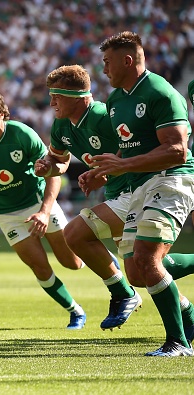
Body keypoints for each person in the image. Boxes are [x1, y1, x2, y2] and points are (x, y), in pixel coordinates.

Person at [35, 65, 194, 339]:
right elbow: (59, 161)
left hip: (135, 190)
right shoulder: (61, 124)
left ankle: (122, 294)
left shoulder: (103, 116)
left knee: (75, 234)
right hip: (119, 196)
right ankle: (188, 315)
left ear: (77, 97)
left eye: (56, 97)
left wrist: (108, 172)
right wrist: (47, 166)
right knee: (142, 271)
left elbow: (136, 148)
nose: (51, 103)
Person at [81, 32, 194, 356]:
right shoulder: (116, 100)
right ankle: (189, 317)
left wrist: (124, 164)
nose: (103, 69)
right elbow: (127, 150)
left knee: (147, 258)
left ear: (127, 60)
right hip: (140, 185)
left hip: (171, 179)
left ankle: (178, 343)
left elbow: (177, 151)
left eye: (107, 62)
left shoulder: (160, 93)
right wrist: (102, 170)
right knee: (136, 272)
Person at [0, 88, 87, 330]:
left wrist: (45, 211)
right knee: (39, 266)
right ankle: (75, 312)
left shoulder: (22, 134)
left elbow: (53, 173)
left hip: (39, 201)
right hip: (7, 214)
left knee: (72, 262)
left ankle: (104, 260)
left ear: (3, 114)